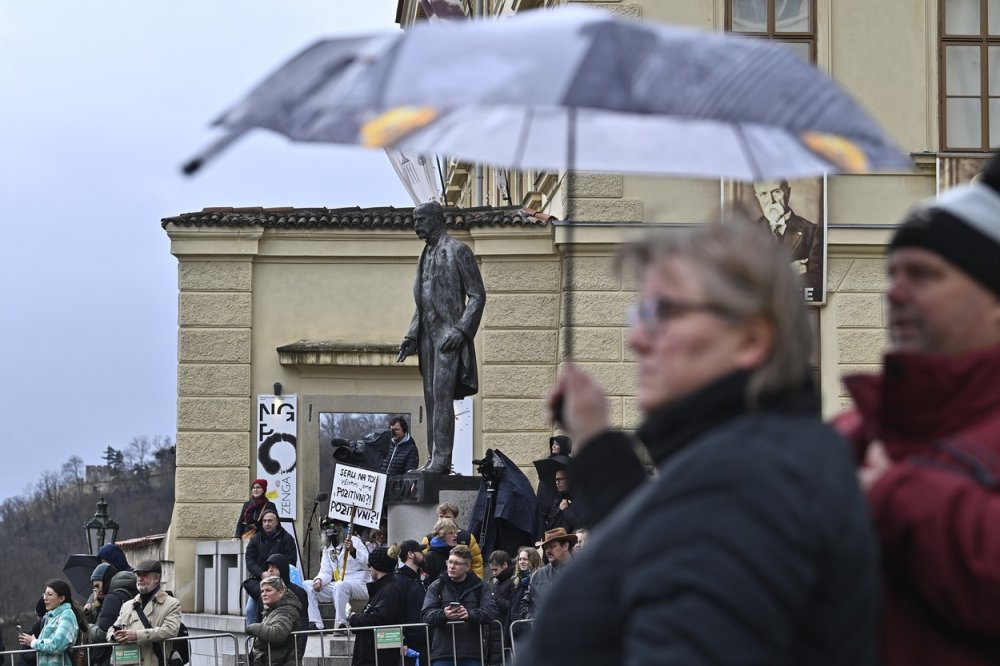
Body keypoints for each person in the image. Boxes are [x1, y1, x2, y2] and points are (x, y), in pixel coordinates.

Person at [518, 222, 878, 665]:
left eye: (663, 313)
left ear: (750, 338)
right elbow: (657, 549)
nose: (637, 337)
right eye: (639, 314)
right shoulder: (746, 459)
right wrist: (594, 442)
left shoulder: (750, 482)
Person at [833, 155, 1000, 666]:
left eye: (923, 275)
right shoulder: (850, 431)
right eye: (892, 273)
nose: (894, 292)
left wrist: (895, 494)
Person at [397, 201, 487, 474]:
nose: (416, 226)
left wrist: (461, 330)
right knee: (431, 399)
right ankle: (434, 458)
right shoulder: (424, 255)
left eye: (420, 220)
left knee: (442, 396)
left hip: (449, 337)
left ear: (437, 219)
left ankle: (442, 460)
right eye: (415, 220)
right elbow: (423, 302)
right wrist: (411, 335)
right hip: (427, 337)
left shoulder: (458, 251)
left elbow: (478, 295)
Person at [421, 545, 498, 666]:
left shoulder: (481, 586)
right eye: (450, 562)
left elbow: (491, 611)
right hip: (443, 652)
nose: (451, 566)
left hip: (472, 652)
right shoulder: (437, 586)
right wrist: (444, 614)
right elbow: (426, 614)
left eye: (457, 563)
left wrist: (470, 614)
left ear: (467, 566)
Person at [751, 179, 823, 301]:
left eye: (776, 192)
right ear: (757, 197)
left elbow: (816, 283)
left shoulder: (812, 231)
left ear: (788, 192)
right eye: (764, 194)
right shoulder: (749, 233)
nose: (771, 201)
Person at [110, 560, 181, 666]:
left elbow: (170, 631)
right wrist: (114, 636)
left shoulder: (172, 604)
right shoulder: (127, 605)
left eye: (144, 575)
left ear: (157, 578)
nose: (140, 579)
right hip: (127, 662)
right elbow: (113, 628)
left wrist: (136, 635)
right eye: (138, 575)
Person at [306, 520, 370, 631]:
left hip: (359, 583)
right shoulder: (327, 548)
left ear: (340, 528)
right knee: (307, 584)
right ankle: (316, 623)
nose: (330, 529)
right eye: (327, 527)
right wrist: (319, 580)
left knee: (339, 585)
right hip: (339, 585)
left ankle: (342, 624)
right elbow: (326, 571)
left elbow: (368, 564)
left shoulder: (354, 541)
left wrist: (353, 550)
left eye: (334, 526)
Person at [347, 547, 405, 666]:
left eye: (369, 565)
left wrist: (354, 617)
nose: (369, 569)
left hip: (377, 657)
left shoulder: (391, 589)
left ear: (376, 567)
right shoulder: (383, 588)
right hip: (372, 654)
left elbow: (379, 617)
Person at [244, 510, 297, 626]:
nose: (267, 524)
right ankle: (251, 641)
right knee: (250, 610)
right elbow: (249, 559)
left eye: (270, 521)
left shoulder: (287, 539)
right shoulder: (255, 539)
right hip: (259, 582)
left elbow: (291, 561)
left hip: (280, 584)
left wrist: (277, 572)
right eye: (264, 521)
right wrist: (261, 573)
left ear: (277, 522)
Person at [17, 580, 87, 666]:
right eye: (44, 594)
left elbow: (57, 645)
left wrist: (34, 642)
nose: (45, 598)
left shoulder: (67, 615)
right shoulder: (52, 616)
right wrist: (32, 640)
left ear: (61, 598)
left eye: (49, 594)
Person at [520, 528, 575, 619]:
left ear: (565, 546)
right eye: (546, 547)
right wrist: (532, 620)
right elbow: (526, 603)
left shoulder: (582, 570)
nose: (548, 551)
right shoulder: (538, 575)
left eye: (552, 546)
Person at [247, 576, 301, 666]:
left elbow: (277, 634)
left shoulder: (287, 610)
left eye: (268, 590)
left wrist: (253, 627)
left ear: (280, 592)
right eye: (262, 591)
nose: (264, 594)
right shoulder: (272, 609)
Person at [420, 502, 484, 578]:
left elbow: (476, 563)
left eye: (447, 517)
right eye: (441, 516)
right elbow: (422, 565)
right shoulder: (429, 539)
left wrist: (476, 583)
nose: (444, 519)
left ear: (454, 517)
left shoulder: (466, 537)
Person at [89, 571, 139, 666]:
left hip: (107, 656)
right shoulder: (137, 596)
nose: (96, 590)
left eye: (97, 586)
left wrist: (88, 627)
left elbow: (103, 632)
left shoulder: (112, 597)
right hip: (133, 654)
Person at [394, 541, 429, 666]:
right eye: (420, 551)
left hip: (422, 640)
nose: (423, 554)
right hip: (409, 644)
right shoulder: (400, 579)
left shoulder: (420, 578)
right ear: (411, 554)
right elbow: (395, 612)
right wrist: (401, 641)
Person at [422, 518, 459, 584]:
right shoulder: (431, 556)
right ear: (441, 535)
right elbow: (425, 582)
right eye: (451, 533)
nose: (455, 535)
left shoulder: (457, 552)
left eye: (456, 532)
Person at [543, 465, 579, 533]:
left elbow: (579, 523)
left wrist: (566, 509)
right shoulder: (557, 499)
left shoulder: (578, 498)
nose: (557, 483)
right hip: (556, 538)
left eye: (560, 479)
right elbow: (550, 522)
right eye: (556, 480)